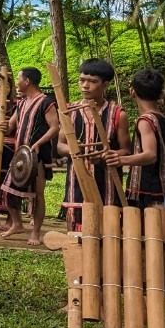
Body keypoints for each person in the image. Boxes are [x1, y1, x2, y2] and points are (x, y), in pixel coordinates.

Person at [57, 59, 129, 231]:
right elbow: (60, 146)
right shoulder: (69, 111)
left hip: (108, 185)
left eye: (92, 81)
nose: (85, 86)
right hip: (77, 183)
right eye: (82, 80)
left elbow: (126, 150)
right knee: (77, 235)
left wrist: (108, 155)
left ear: (105, 84)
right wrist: (75, 149)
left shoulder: (117, 114)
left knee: (107, 234)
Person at [0, 67, 60, 245]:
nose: (17, 82)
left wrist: (38, 143)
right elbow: (11, 125)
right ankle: (17, 223)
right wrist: (0, 126)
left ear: (27, 81)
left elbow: (55, 127)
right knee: (7, 191)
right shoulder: (21, 102)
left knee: (37, 194)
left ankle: (35, 232)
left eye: (19, 79)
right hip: (20, 156)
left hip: (37, 156)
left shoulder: (46, 102)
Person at [112, 68, 165, 210]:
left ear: (132, 92)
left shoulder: (145, 121)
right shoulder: (163, 119)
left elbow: (150, 155)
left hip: (149, 190)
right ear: (160, 93)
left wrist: (120, 160)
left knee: (148, 230)